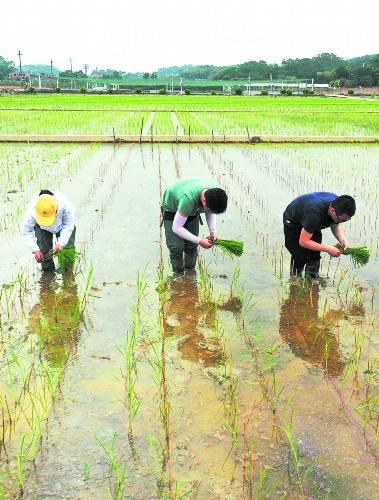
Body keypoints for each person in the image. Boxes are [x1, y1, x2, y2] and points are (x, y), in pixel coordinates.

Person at [161, 178, 228, 274]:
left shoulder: (215, 193)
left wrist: (213, 231)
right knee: (176, 248)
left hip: (192, 209)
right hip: (172, 208)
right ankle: (178, 276)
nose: (209, 211)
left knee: (192, 246)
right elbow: (176, 228)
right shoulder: (188, 199)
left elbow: (210, 211)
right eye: (208, 209)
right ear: (204, 201)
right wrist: (200, 241)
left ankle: (190, 274)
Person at [283, 193, 356, 278]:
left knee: (314, 255)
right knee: (299, 255)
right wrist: (328, 249)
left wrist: (343, 240)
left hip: (312, 221)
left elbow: (335, 224)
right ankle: (295, 279)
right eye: (342, 220)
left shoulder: (340, 205)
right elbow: (303, 241)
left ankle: (312, 280)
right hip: (294, 221)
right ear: (332, 210)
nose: (341, 222)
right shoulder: (314, 212)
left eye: (345, 220)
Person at [21, 189, 76, 272]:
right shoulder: (32, 211)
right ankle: (48, 276)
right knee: (44, 254)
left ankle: (67, 274)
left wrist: (61, 243)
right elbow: (26, 231)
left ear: (56, 209)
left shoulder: (65, 206)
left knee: (67, 253)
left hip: (62, 225)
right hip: (41, 227)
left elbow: (68, 226)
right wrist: (35, 249)